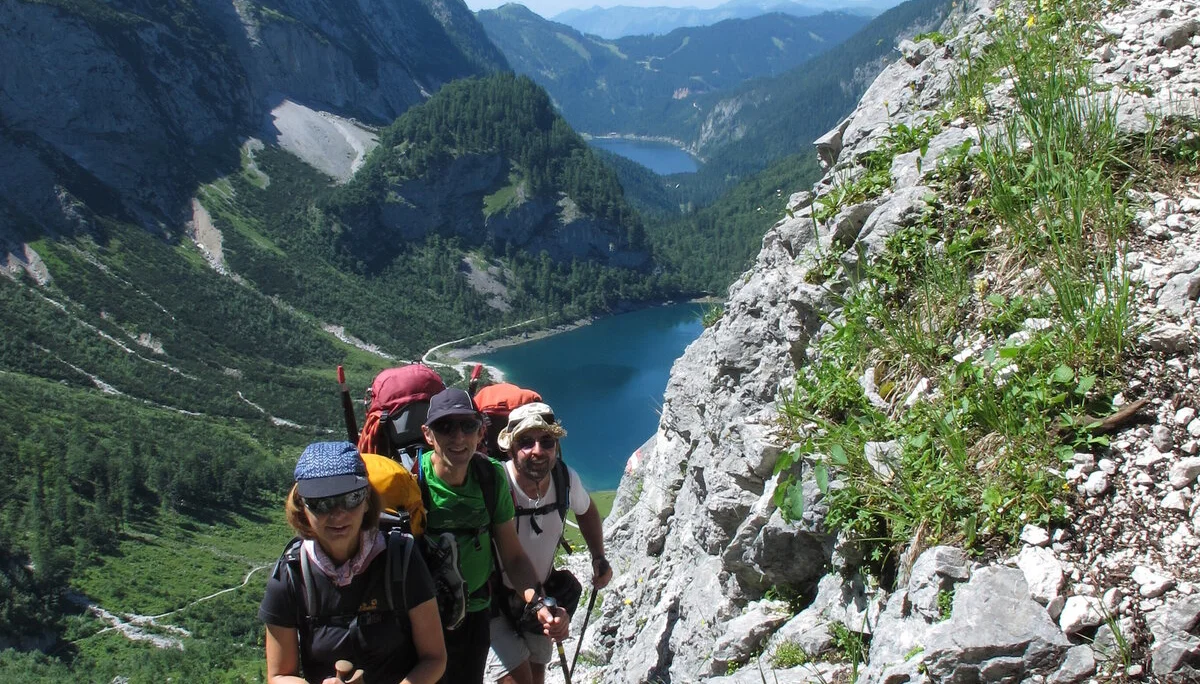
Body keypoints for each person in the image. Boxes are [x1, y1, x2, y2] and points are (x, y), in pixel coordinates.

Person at [259, 441, 447, 684]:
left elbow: (434, 658)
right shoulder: (291, 573)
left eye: (351, 498)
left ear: (368, 500)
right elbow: (279, 674)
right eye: (322, 503)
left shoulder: (401, 557)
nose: (338, 514)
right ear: (302, 508)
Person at [418, 388, 569, 684]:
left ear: (480, 431)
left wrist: (538, 603)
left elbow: (512, 556)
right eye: (445, 427)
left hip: (477, 612)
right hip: (423, 620)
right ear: (428, 434)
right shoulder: (412, 482)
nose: (458, 437)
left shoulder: (490, 478)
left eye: (467, 426)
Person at [485, 402, 613, 684]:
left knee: (536, 676)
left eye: (547, 441)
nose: (538, 451)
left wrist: (598, 556)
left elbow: (587, 510)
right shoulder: (497, 485)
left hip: (539, 596)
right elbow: (514, 560)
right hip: (495, 601)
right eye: (526, 442)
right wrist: (541, 604)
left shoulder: (564, 479)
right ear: (510, 447)